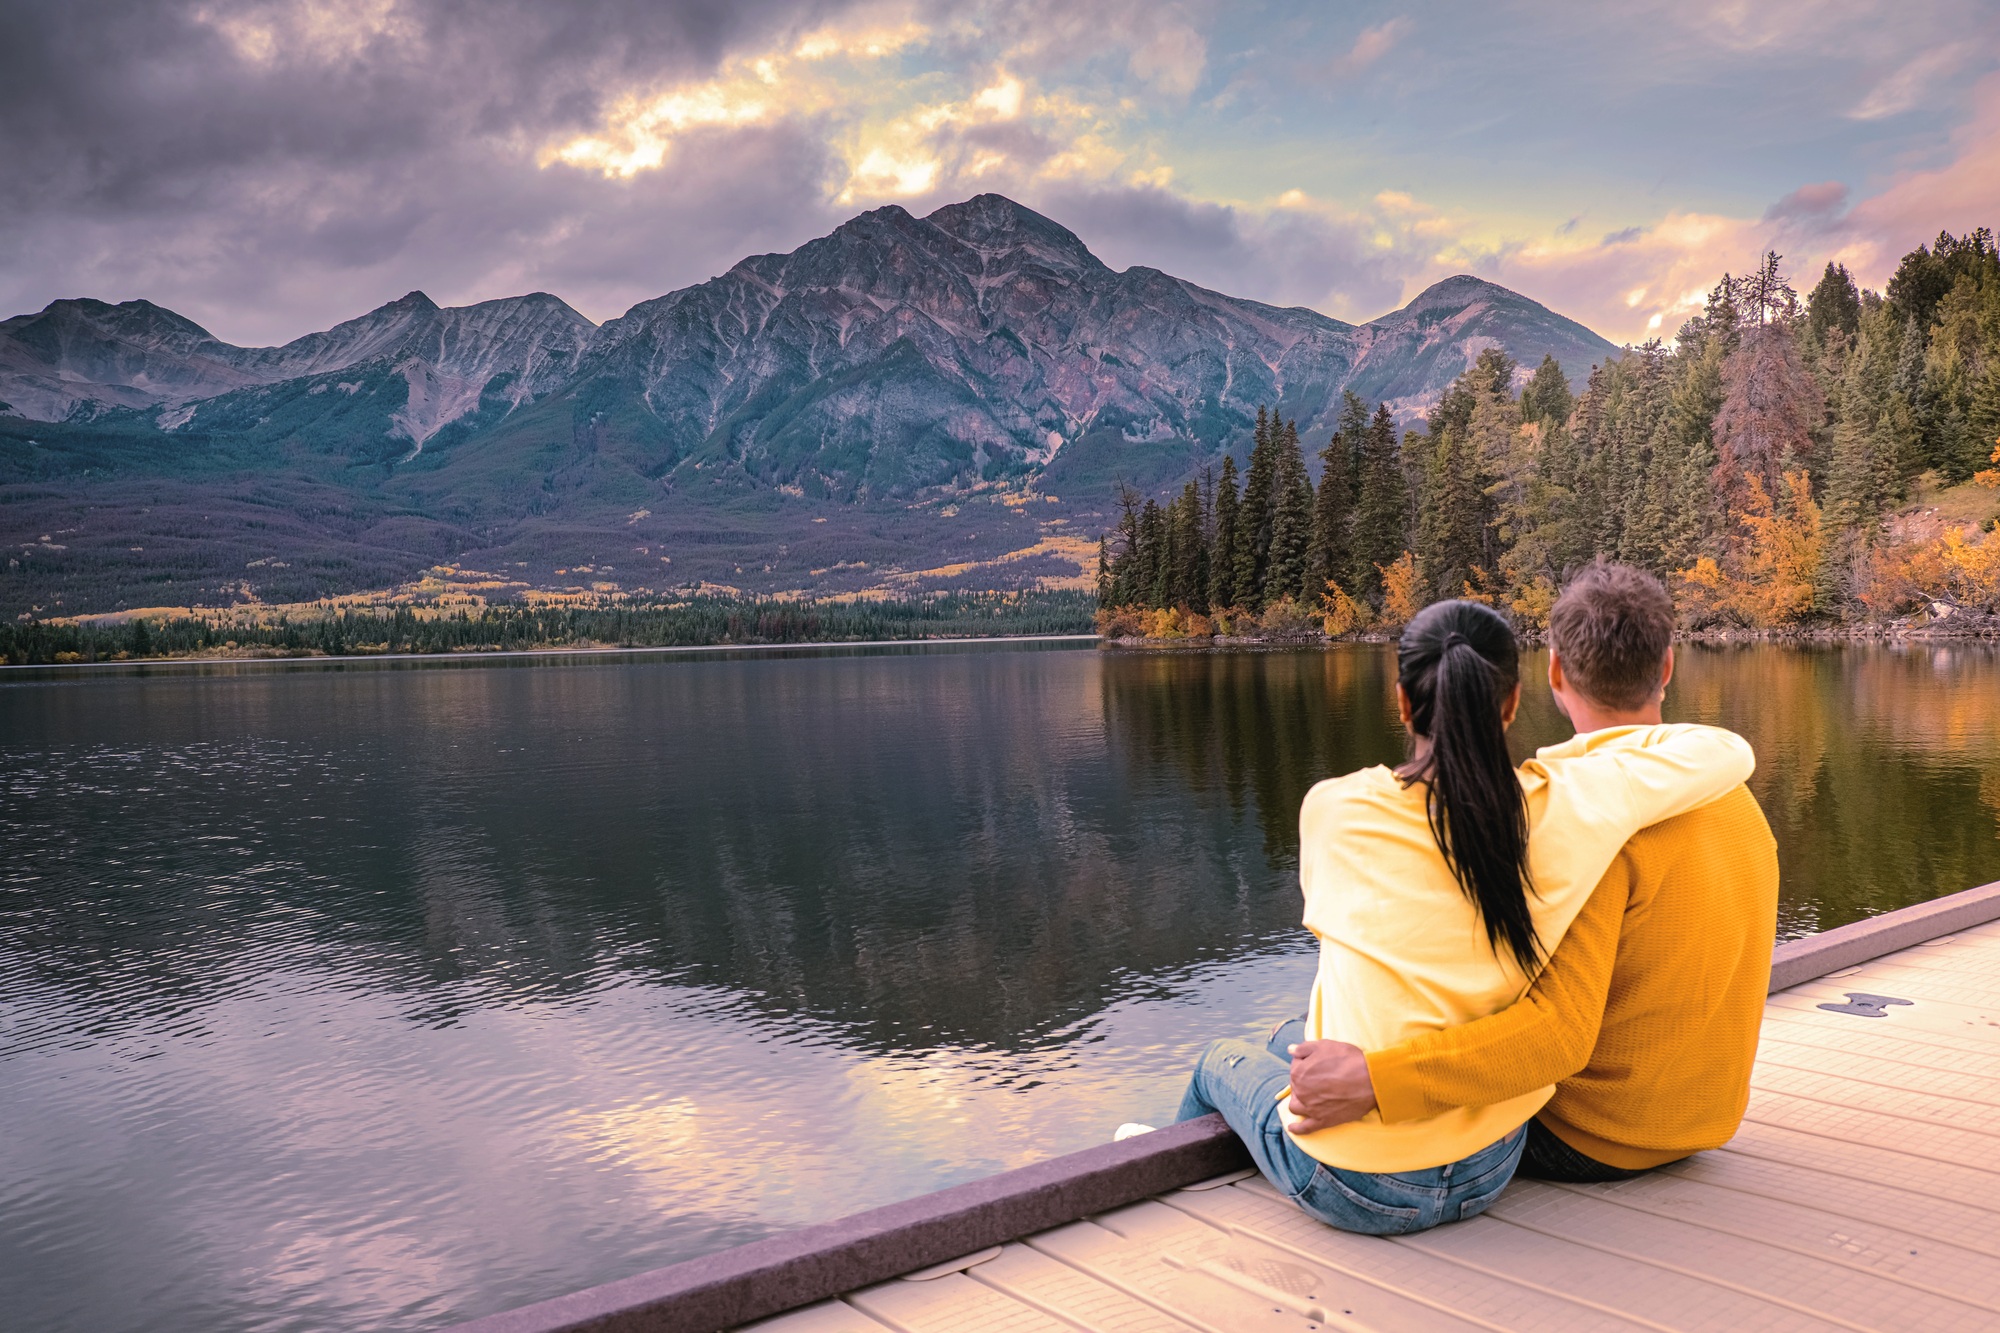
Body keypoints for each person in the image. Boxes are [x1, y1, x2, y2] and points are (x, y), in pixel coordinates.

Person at [1165, 596, 1753, 1234]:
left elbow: (1549, 1031)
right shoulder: (1567, 811)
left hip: (1366, 1181)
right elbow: (1726, 751)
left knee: (1219, 1060)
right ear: (1511, 701)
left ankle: (1155, 1180)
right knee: (1292, 1038)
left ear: (1400, 701)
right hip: (1492, 1160)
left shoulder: (1332, 809)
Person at [1283, 562, 1780, 1183]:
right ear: (1669, 666)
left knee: (1297, 1049)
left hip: (1593, 1133)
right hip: (1702, 1116)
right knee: (1298, 1044)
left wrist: (1378, 1080)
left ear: (1553, 674)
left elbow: (1557, 1034)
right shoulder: (1732, 794)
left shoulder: (1592, 829)